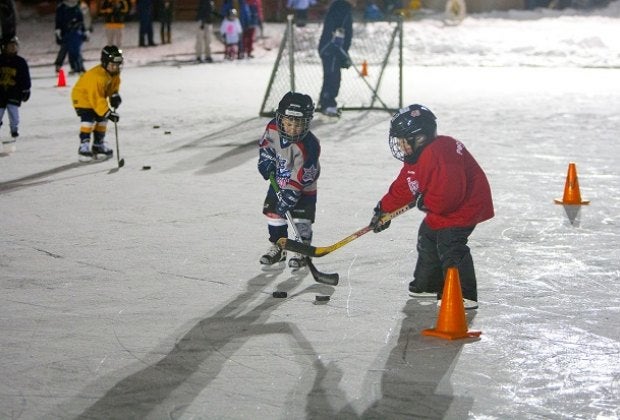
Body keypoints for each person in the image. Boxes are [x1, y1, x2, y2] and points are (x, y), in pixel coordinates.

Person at [368, 104, 494, 310]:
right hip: (447, 205)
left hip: (465, 205)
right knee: (427, 235)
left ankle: (463, 295)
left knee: (450, 243)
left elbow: (450, 195)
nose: (400, 146)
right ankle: (429, 285)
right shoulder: (417, 156)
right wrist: (384, 209)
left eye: (403, 141)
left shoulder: (442, 154)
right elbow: (406, 186)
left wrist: (427, 202)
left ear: (420, 137)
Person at [257, 91, 320, 268]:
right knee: (274, 215)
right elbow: (266, 146)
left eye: (298, 124)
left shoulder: (310, 146)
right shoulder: (272, 128)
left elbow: (303, 175)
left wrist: (291, 195)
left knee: (301, 219)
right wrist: (266, 160)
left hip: (303, 189)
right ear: (280, 119)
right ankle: (279, 247)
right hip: (278, 181)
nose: (292, 128)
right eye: (289, 123)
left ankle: (302, 250)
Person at [71, 45, 122, 160]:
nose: (115, 67)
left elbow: (113, 86)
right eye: (112, 64)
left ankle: (98, 144)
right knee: (88, 121)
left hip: (96, 99)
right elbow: (96, 98)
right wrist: (108, 113)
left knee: (102, 120)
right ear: (105, 62)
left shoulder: (114, 73)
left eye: (117, 64)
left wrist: (114, 95)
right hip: (82, 98)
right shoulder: (97, 77)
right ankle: (83, 147)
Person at [317, 0, 355, 117]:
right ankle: (327, 104)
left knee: (333, 76)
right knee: (332, 77)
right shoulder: (341, 7)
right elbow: (337, 32)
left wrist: (344, 54)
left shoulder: (344, 8)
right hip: (331, 49)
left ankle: (326, 103)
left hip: (335, 49)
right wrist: (341, 52)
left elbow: (343, 31)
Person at [0, 36, 31, 154]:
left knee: (13, 112)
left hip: (14, 92)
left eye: (15, 46)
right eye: (10, 46)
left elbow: (25, 77)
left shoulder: (20, 62)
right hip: (0, 92)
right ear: (4, 47)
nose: (13, 48)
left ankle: (14, 129)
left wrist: (26, 89)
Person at [55, 0, 87, 74]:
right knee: (64, 48)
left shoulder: (78, 6)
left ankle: (78, 67)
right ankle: (59, 65)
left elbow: (83, 19)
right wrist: (58, 30)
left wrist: (84, 30)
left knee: (75, 50)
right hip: (65, 32)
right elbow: (58, 20)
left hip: (75, 32)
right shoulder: (62, 8)